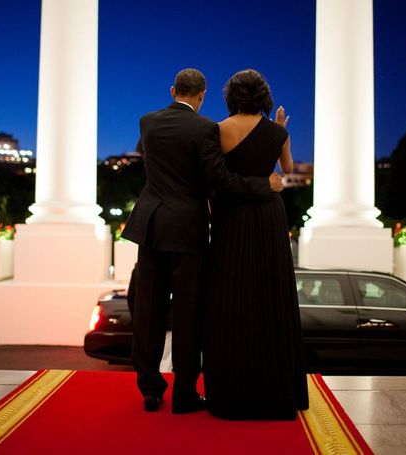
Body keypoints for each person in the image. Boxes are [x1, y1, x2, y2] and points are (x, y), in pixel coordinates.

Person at [121, 68, 284, 414]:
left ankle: (150, 389)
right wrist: (262, 185)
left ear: (172, 90)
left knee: (148, 310)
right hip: (187, 230)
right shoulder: (206, 128)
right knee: (187, 314)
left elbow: (153, 163)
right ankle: (184, 394)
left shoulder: (147, 122)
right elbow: (219, 178)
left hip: (150, 225)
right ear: (202, 94)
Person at [202, 69, 309, 420]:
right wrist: (280, 128)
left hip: (232, 218)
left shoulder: (219, 130)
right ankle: (274, 393)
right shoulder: (278, 131)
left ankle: (232, 392)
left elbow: (216, 180)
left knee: (231, 297)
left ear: (231, 95)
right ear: (264, 95)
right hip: (267, 217)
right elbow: (287, 169)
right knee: (271, 295)